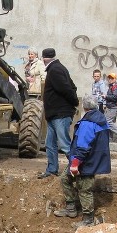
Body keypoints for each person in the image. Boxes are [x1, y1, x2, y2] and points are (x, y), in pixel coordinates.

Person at [53, 95, 111, 227]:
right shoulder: (101, 120)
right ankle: (71, 208)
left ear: (84, 107)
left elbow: (83, 146)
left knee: (84, 189)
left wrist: (75, 163)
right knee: (65, 179)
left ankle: (88, 220)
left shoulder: (88, 123)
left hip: (85, 162)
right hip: (92, 160)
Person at [38, 48, 78, 178]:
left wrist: (74, 102)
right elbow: (72, 86)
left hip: (60, 114)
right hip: (54, 114)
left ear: (44, 58)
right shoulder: (58, 68)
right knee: (50, 144)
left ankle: (77, 169)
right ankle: (51, 170)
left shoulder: (55, 70)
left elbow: (66, 88)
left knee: (64, 144)